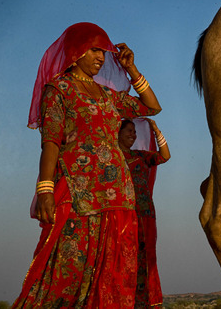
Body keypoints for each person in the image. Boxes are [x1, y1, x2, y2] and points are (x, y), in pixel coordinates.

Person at [13, 22, 163, 308]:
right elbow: (51, 142)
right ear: (76, 51)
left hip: (118, 194)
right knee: (65, 267)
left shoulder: (107, 95)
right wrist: (45, 189)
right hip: (77, 191)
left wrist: (132, 69)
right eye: (94, 49)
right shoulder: (59, 90)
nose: (101, 57)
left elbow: (152, 107)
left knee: (115, 271)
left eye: (103, 52)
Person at [118, 118, 170, 308]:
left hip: (145, 214)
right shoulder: (111, 158)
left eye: (135, 132)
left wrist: (156, 130)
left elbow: (164, 157)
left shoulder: (140, 155)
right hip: (122, 217)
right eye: (129, 131)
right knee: (123, 258)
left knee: (145, 257)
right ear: (117, 132)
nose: (133, 135)